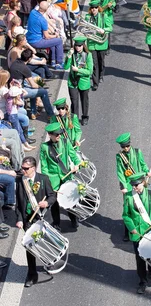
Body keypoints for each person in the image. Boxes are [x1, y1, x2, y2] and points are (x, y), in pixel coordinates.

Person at [15, 156, 57, 287]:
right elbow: (18, 204)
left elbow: (52, 196)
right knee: (29, 248)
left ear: (33, 168)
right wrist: (20, 219)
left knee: (45, 243)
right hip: (28, 220)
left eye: (26, 168)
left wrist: (46, 203)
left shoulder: (43, 179)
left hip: (42, 218)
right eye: (22, 168)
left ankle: (50, 261)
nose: (23, 170)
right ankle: (32, 274)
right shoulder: (20, 181)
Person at [123, 171, 151, 294]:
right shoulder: (129, 196)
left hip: (150, 230)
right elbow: (126, 215)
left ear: (143, 182)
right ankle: (142, 281)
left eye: (137, 185)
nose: (135, 188)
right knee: (140, 258)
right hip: (137, 233)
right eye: (133, 186)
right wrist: (131, 228)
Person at [39, 122, 80, 230]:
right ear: (50, 135)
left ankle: (74, 219)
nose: (59, 136)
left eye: (60, 134)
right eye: (56, 135)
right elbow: (44, 166)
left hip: (66, 175)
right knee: (55, 202)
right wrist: (48, 180)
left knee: (70, 198)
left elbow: (74, 156)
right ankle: (57, 223)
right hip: (53, 179)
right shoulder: (44, 147)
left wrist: (76, 165)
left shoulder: (66, 142)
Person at [115, 132, 151, 241]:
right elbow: (120, 171)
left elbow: (142, 163)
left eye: (127, 146)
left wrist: (147, 172)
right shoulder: (119, 156)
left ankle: (146, 227)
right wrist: (123, 186)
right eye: (123, 147)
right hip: (128, 184)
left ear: (130, 144)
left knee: (143, 204)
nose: (126, 148)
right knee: (128, 207)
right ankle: (128, 231)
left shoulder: (137, 152)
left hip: (139, 181)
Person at [26, 0, 64, 69]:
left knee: (52, 41)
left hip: (29, 38)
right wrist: (56, 35)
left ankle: (52, 61)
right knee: (59, 41)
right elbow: (47, 36)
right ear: (46, 9)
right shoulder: (42, 20)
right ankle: (59, 62)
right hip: (37, 42)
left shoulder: (32, 12)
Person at [64, 37, 93, 126]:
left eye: (80, 46)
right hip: (72, 82)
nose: (78, 47)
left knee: (84, 101)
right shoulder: (72, 54)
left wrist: (78, 70)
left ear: (83, 45)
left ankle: (85, 116)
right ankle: (75, 118)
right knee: (74, 102)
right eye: (76, 45)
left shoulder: (88, 55)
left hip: (83, 82)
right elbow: (65, 67)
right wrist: (69, 56)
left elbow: (89, 71)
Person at [85, 0, 112, 91]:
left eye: (96, 8)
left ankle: (101, 75)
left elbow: (110, 27)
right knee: (94, 64)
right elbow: (84, 29)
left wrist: (104, 30)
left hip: (101, 44)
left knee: (101, 61)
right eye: (92, 8)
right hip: (92, 44)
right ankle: (95, 83)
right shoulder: (87, 17)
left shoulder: (104, 16)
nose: (94, 9)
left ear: (98, 8)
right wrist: (90, 31)